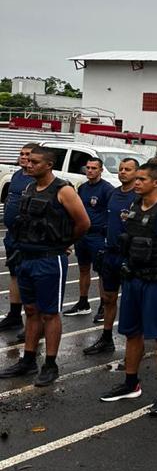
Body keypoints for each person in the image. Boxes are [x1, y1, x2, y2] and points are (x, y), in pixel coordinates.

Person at [99, 162, 157, 414]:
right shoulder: (134, 205)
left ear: (156, 183)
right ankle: (131, 382)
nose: (136, 182)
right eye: (135, 178)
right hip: (133, 278)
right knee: (132, 332)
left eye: (142, 179)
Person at [0, 146, 90, 385]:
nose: (28, 164)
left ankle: (50, 364)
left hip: (50, 260)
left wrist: (64, 243)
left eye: (35, 162)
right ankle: (28, 360)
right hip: (26, 257)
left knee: (50, 313)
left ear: (49, 165)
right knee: (31, 311)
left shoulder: (64, 191)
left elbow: (83, 223)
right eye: (28, 160)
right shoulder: (29, 187)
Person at [84, 157, 140, 356]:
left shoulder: (140, 196)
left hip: (130, 257)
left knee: (131, 301)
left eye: (128, 169)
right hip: (110, 254)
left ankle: (134, 345)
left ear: (137, 173)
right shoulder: (114, 194)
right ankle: (106, 338)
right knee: (108, 298)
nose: (123, 172)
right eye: (121, 169)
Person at [65, 158, 114, 321]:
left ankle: (103, 305)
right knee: (83, 269)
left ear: (101, 170)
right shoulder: (83, 188)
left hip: (98, 237)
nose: (90, 170)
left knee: (102, 272)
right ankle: (83, 302)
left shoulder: (107, 189)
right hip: (83, 236)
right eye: (88, 167)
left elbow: (111, 213)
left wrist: (106, 233)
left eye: (94, 168)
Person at [0, 143, 35, 334]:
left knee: (29, 277)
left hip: (28, 238)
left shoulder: (37, 180)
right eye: (21, 154)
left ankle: (34, 323)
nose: (23, 157)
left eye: (28, 154)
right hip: (12, 235)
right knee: (14, 275)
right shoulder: (16, 175)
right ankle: (14, 316)